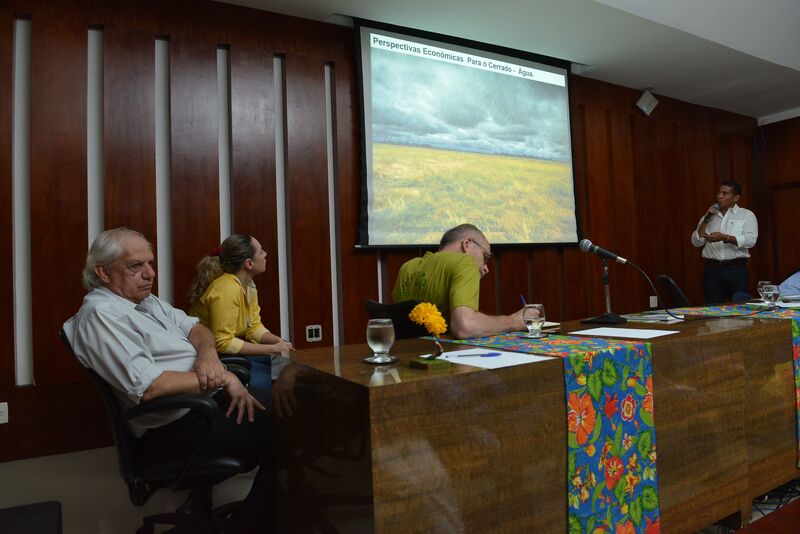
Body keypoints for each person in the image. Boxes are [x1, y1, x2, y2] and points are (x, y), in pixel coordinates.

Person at [62, 228, 271, 533]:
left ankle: (257, 515)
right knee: (294, 424)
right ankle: (250, 524)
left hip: (202, 404)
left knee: (292, 400)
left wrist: (208, 356)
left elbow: (196, 327)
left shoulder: (144, 301)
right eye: (136, 266)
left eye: (150, 263)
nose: (149, 273)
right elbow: (150, 386)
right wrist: (222, 377)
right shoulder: (102, 315)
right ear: (103, 273)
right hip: (178, 427)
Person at [189, 234, 292, 395]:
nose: (265, 254)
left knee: (287, 369)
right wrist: (272, 348)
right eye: (261, 252)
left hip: (225, 355)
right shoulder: (227, 289)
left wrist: (279, 342)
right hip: (208, 360)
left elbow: (254, 327)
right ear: (249, 264)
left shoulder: (248, 285)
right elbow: (223, 342)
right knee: (275, 382)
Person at [391, 223, 525, 339]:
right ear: (466, 244)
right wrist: (515, 321)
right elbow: (464, 327)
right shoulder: (466, 262)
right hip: (445, 355)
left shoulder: (408, 267)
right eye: (485, 256)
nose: (486, 267)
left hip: (408, 353)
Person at [690, 180, 758, 304]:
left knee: (739, 307)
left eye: (725, 193)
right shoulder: (709, 216)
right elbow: (696, 242)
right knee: (712, 308)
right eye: (718, 193)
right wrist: (706, 219)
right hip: (712, 270)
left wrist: (725, 238)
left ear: (736, 198)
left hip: (736, 269)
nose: (719, 196)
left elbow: (750, 240)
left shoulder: (746, 215)